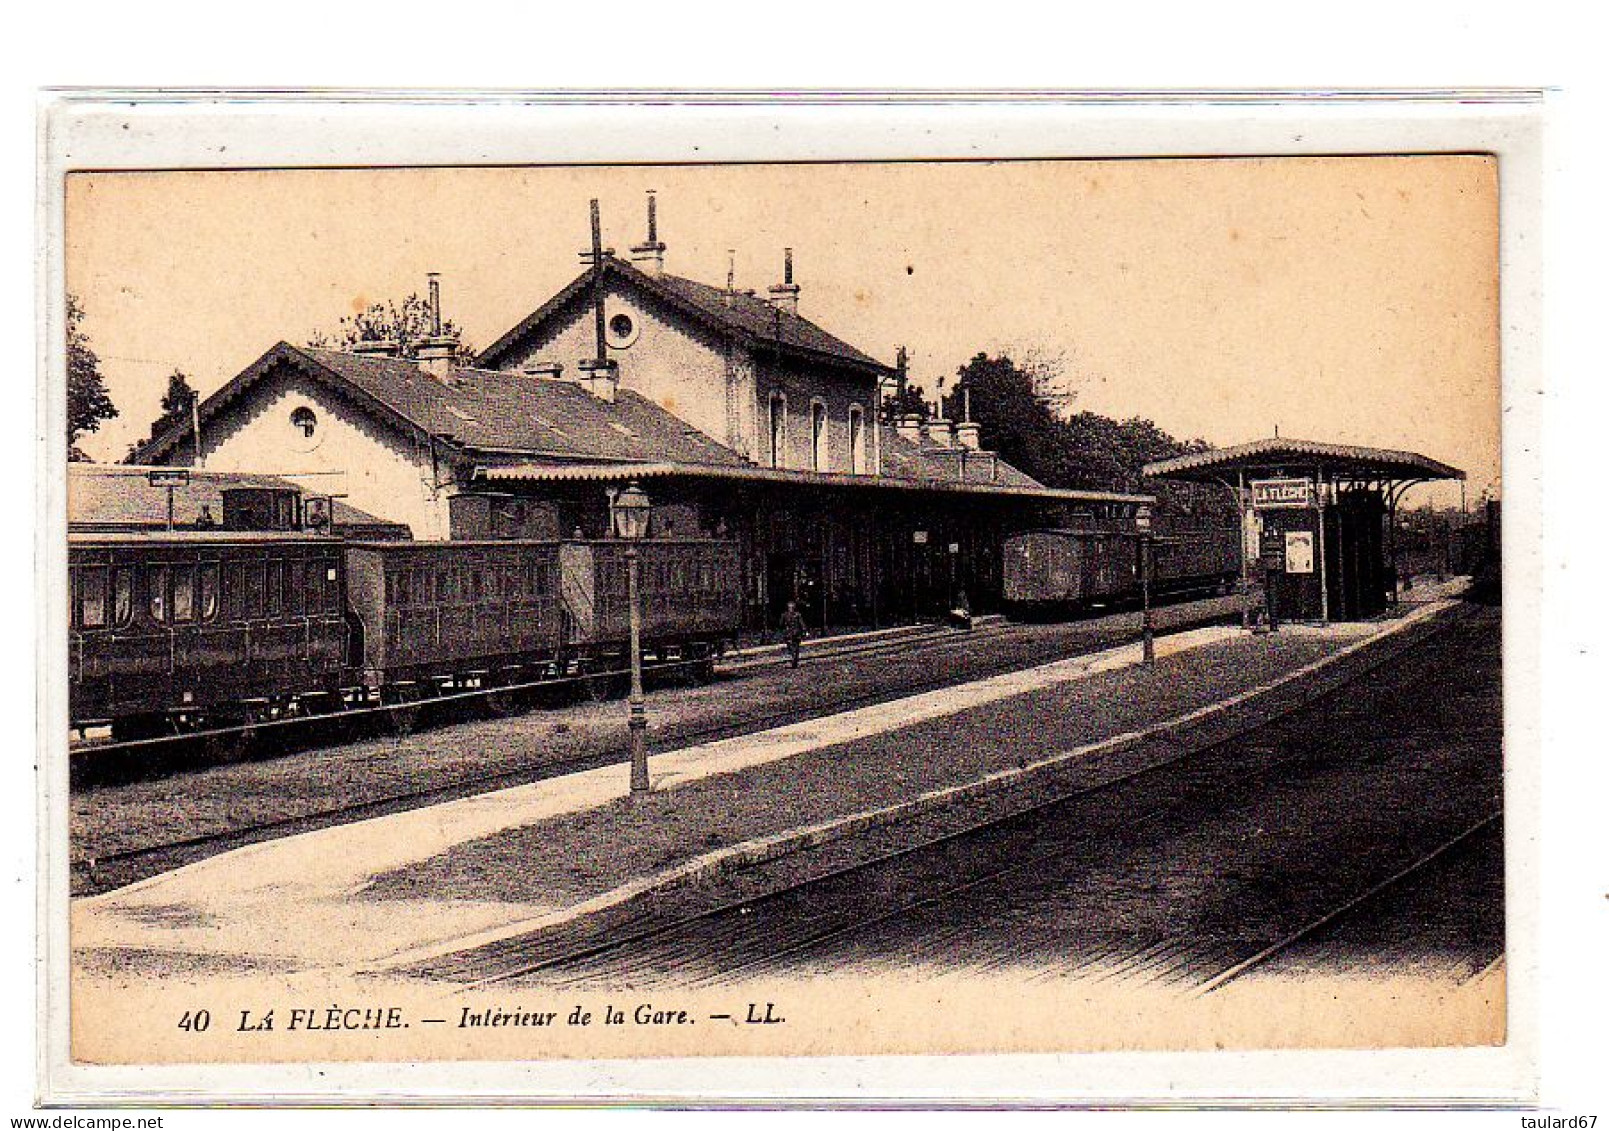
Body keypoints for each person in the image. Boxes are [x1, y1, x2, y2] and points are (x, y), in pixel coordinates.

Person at [779, 600, 808, 668]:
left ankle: (794, 660)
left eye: (791, 607)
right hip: (793, 634)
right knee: (793, 648)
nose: (791, 609)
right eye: (790, 607)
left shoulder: (790, 615)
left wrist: (804, 631)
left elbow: (802, 624)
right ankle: (795, 660)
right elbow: (781, 624)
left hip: (793, 634)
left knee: (794, 648)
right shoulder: (789, 615)